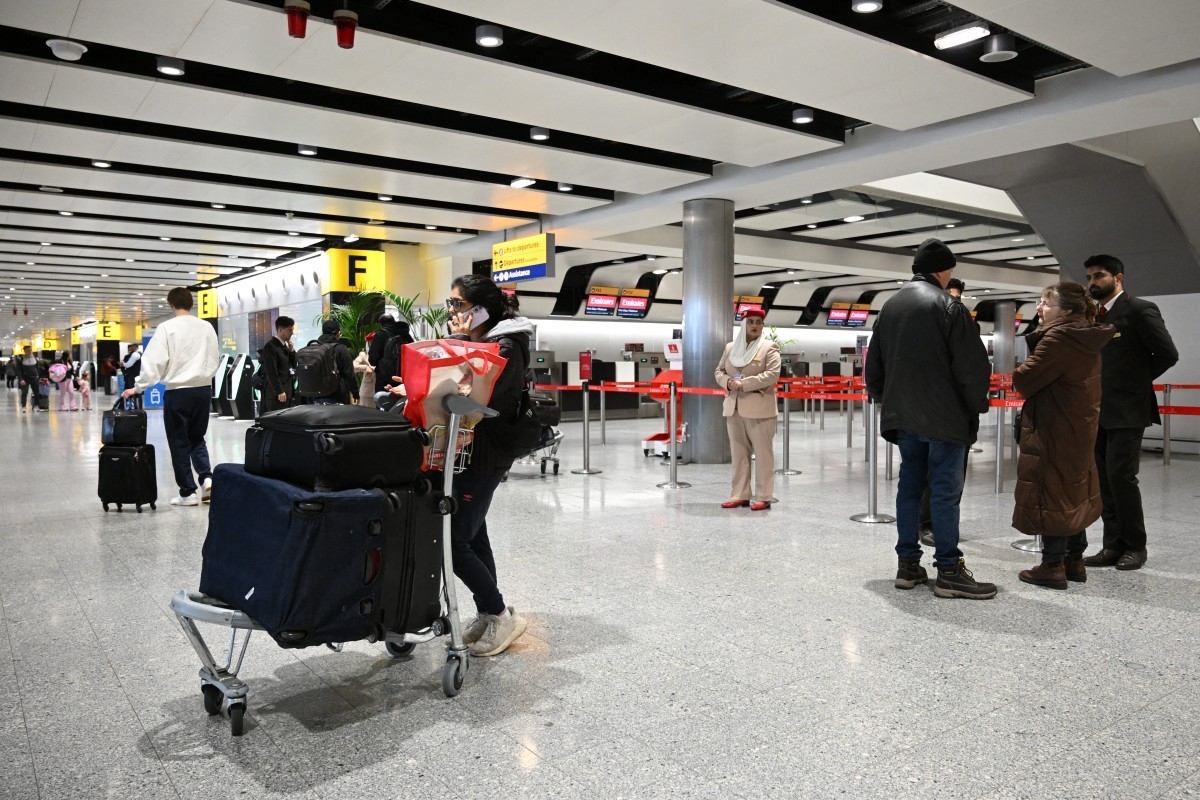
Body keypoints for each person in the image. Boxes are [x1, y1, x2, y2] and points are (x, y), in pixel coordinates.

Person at [404, 274, 531, 657]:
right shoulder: (485, 342)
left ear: (482, 309)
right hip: (468, 450)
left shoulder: (506, 346)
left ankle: (499, 614)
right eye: (451, 304)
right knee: (474, 537)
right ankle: (490, 614)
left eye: (458, 304)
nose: (453, 311)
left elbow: (480, 399)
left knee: (453, 539)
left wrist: (455, 354)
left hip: (487, 453)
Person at [865, 239, 995, 599]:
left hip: (904, 419)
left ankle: (907, 565)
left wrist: (890, 400)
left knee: (909, 489)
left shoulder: (890, 307)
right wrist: (974, 407)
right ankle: (949, 570)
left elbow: (873, 369)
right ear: (943, 270)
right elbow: (972, 368)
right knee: (944, 492)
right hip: (945, 421)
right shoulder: (950, 307)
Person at [1079, 255, 1179, 571]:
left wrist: (1135, 381)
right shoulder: (1094, 315)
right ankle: (1112, 545)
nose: (1093, 282)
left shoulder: (1138, 309)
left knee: (1122, 477)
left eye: (1099, 275)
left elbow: (1168, 354)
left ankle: (1135, 546)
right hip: (1098, 409)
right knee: (1105, 480)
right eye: (1089, 277)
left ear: (1118, 278)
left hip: (1128, 409)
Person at [1013, 283, 1115, 589]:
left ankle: (1052, 565)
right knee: (1073, 490)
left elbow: (1024, 380)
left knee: (1052, 490)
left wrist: (1020, 366)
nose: (1039, 308)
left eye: (1046, 303)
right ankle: (1075, 560)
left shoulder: (1058, 338)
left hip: (1053, 425)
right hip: (1078, 425)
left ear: (1067, 310)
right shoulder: (1085, 337)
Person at [122, 288, 220, 507]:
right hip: (203, 390)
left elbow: (153, 362)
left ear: (170, 304)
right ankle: (207, 479)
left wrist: (138, 387)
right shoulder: (206, 327)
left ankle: (188, 493)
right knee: (197, 437)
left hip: (178, 391)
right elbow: (215, 357)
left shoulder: (167, 328)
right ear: (191, 303)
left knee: (179, 442)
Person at [714, 307, 781, 511]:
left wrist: (744, 384)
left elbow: (772, 375)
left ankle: (764, 496)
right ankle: (740, 494)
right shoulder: (730, 348)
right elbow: (719, 371)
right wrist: (727, 382)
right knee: (739, 454)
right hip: (733, 407)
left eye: (759, 322)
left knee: (763, 454)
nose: (755, 326)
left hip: (760, 409)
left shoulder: (769, 348)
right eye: (750, 322)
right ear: (743, 325)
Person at [304, 320, 358, 405]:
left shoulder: (314, 348)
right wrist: (355, 393)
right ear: (337, 333)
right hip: (337, 396)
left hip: (316, 397)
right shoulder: (341, 349)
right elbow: (349, 374)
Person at [257, 315, 296, 414]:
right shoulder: (270, 347)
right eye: (289, 330)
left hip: (287, 392)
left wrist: (292, 350)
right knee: (276, 419)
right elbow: (271, 372)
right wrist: (279, 391)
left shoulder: (285, 347)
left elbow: (294, 365)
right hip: (276, 395)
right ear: (280, 330)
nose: (292, 333)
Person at [15, 345, 47, 413]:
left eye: (30, 350)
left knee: (36, 393)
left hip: (34, 378)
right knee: (24, 393)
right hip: (25, 378)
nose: (29, 351)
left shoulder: (35, 358)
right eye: (28, 350)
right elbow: (18, 370)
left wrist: (38, 377)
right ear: (24, 351)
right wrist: (21, 379)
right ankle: (23, 406)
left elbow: (37, 368)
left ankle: (36, 406)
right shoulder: (21, 359)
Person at [354, 334, 376, 410]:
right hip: (367, 393)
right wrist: (365, 367)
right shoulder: (364, 355)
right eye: (371, 342)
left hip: (380, 391)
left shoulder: (384, 355)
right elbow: (353, 366)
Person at [122, 344, 143, 410]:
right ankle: (134, 406)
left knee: (136, 391)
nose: (131, 348)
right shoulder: (128, 356)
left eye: (133, 347)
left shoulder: (136, 355)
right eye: (131, 347)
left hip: (133, 376)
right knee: (134, 391)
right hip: (131, 376)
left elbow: (128, 365)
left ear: (136, 348)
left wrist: (123, 364)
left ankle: (137, 407)